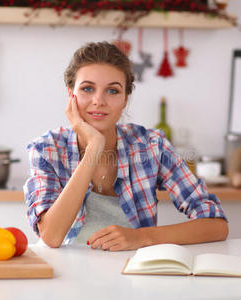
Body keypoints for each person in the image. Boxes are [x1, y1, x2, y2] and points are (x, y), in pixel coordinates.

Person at [24, 41, 228, 251]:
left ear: (125, 99)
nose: (98, 100)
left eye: (112, 91)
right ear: (71, 94)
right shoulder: (47, 150)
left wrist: (142, 237)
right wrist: (94, 146)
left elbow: (216, 225)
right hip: (66, 275)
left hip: (135, 275)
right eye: (87, 88)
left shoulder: (151, 146)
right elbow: (51, 236)